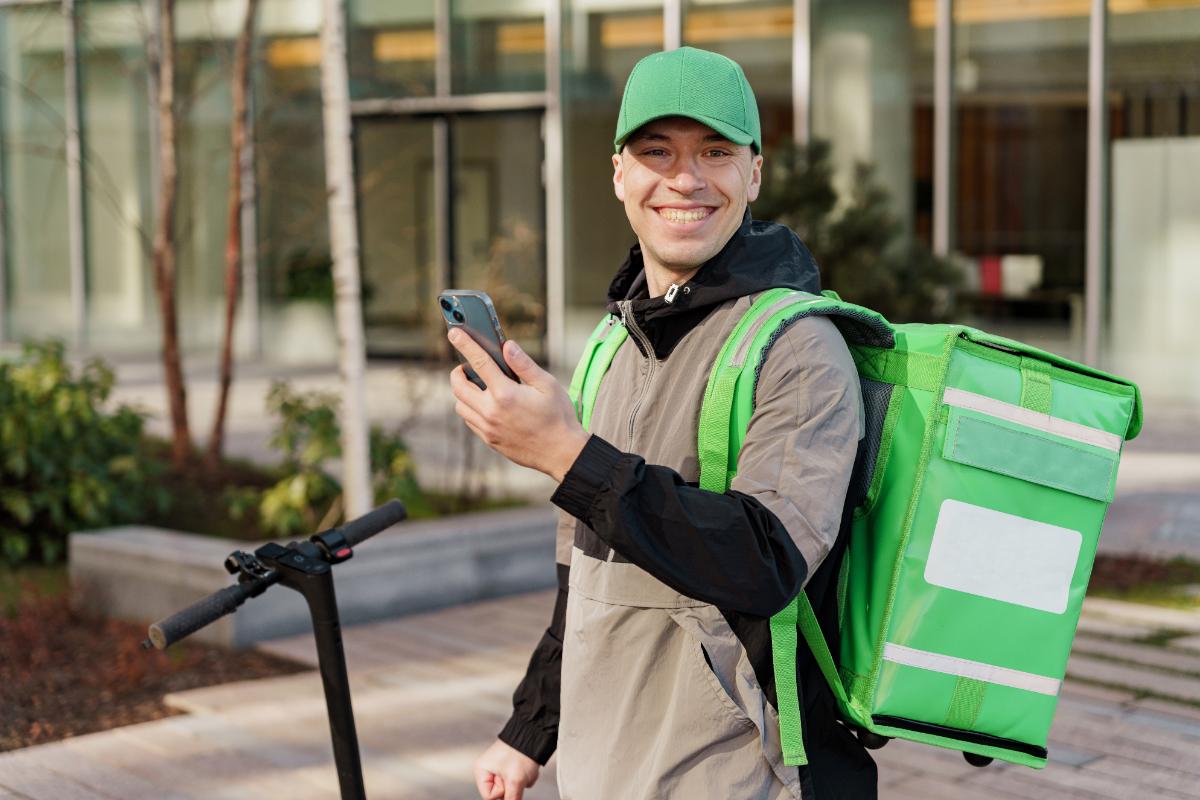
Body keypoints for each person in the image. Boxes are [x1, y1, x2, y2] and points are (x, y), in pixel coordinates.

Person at [449, 46, 877, 800]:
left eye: (715, 152)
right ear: (619, 174)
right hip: (607, 768)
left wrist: (568, 455)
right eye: (658, 152)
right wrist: (529, 730)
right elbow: (584, 573)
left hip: (737, 775)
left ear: (753, 173)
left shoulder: (798, 347)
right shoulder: (614, 342)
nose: (686, 179)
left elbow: (766, 561)